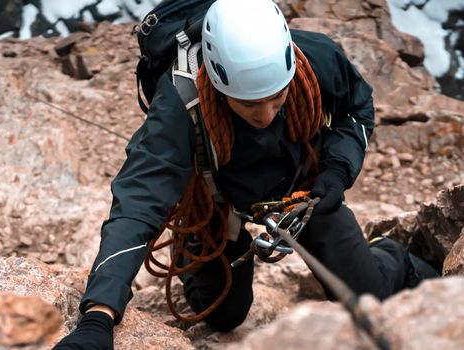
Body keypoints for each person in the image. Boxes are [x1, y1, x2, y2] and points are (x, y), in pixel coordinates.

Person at [53, 0, 438, 348]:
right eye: (250, 104)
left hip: (307, 194)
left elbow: (356, 109)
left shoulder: (318, 58)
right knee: (223, 315)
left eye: (277, 97)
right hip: (216, 201)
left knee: (367, 292)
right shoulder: (179, 103)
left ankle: (397, 258)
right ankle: (203, 244)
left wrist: (337, 172)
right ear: (218, 84)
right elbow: (137, 206)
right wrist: (98, 317)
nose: (267, 115)